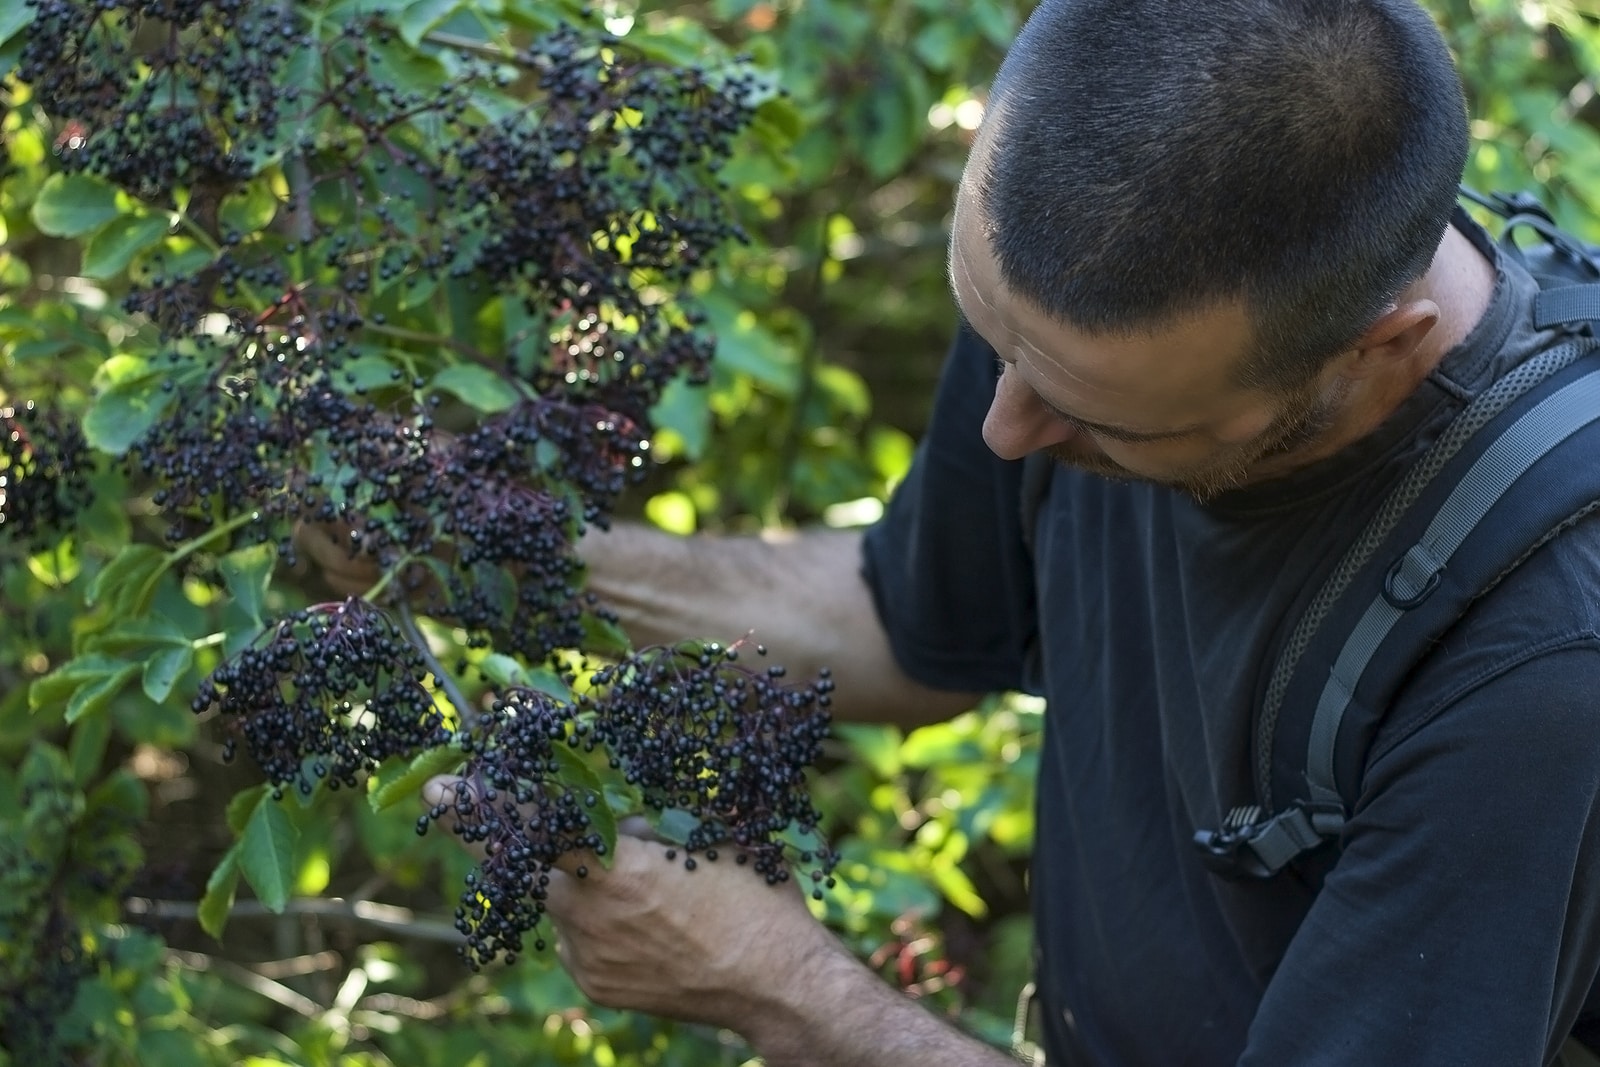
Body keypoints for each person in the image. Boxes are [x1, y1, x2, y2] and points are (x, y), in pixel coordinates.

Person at [305, 0, 1600, 1063]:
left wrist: (784, 989)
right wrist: (502, 561)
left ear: (1380, 352)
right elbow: (907, 622)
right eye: (995, 338)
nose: (1006, 428)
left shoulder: (1542, 666)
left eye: (1096, 419)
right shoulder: (1088, 310)